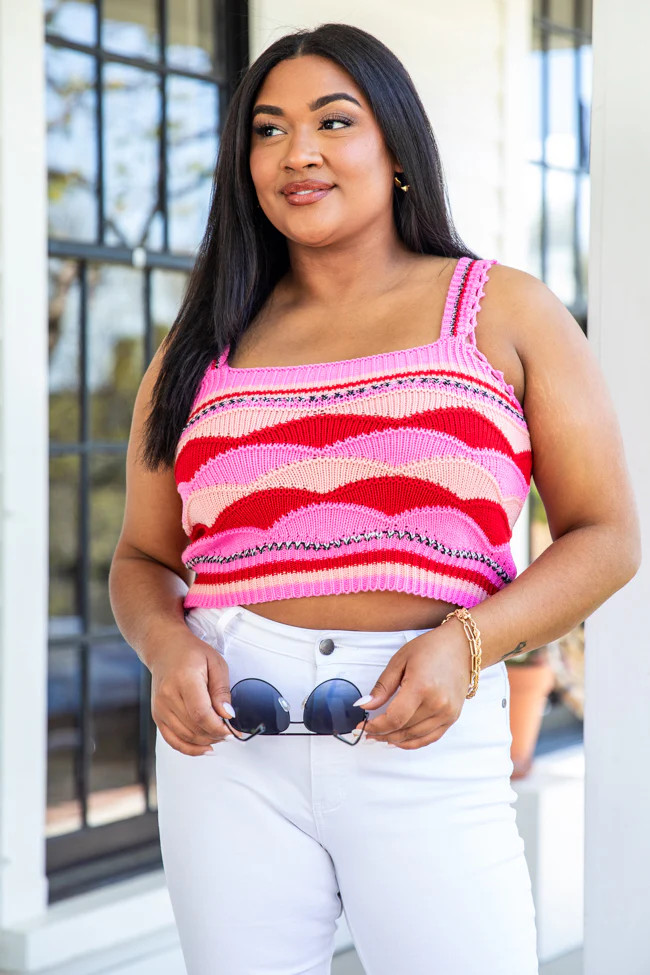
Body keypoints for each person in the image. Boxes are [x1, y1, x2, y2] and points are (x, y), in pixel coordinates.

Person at [109, 22, 640, 975]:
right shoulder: (199, 349)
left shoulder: (502, 311)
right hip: (231, 751)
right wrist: (167, 648)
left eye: (333, 121)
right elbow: (143, 560)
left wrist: (468, 642)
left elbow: (606, 536)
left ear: (396, 147)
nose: (296, 153)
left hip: (426, 725)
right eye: (266, 131)